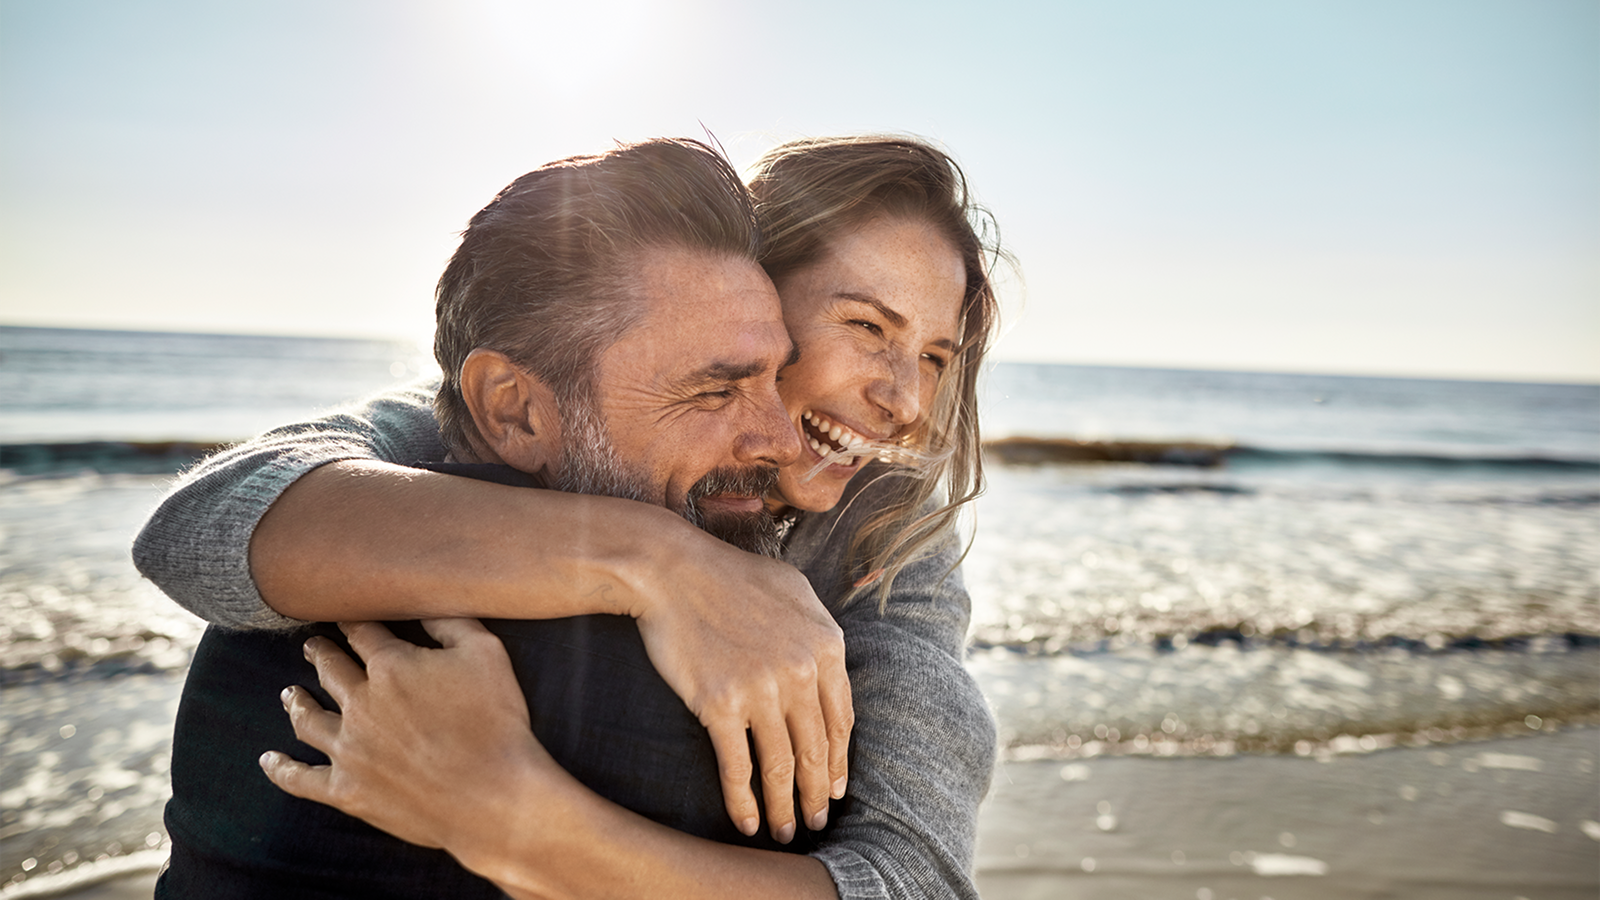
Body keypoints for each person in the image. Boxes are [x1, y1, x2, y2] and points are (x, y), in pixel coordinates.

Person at [135, 135, 1002, 898]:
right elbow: (199, 529)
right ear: (754, 296)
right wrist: (659, 561)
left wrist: (508, 816)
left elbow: (912, 875)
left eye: (934, 356)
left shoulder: (887, 536)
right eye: (865, 326)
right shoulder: (476, 429)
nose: (907, 401)